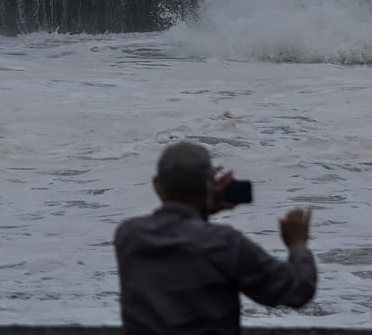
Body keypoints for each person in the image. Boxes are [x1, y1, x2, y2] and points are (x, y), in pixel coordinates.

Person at [113, 140, 316, 334]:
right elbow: (296, 290)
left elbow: (181, 235)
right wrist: (297, 244)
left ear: (157, 185)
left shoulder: (129, 236)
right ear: (209, 184)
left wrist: (203, 208)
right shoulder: (224, 243)